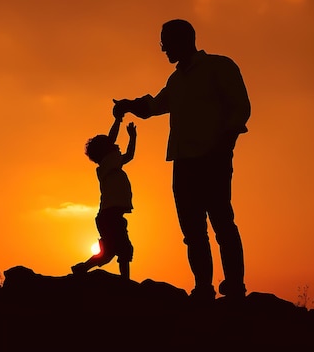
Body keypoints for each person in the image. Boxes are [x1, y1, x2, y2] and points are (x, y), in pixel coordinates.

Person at [113, 19, 251, 302]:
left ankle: (235, 287)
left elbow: (241, 109)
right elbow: (153, 106)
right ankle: (203, 288)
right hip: (183, 163)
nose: (163, 49)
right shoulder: (176, 80)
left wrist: (225, 146)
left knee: (222, 225)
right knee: (193, 231)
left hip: (213, 159)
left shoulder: (219, 67)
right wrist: (128, 104)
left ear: (184, 40)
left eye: (166, 42)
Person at [71, 116, 137, 280]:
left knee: (108, 254)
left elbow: (129, 155)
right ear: (106, 151)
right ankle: (125, 282)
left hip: (110, 216)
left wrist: (133, 138)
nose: (117, 146)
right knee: (123, 249)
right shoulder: (107, 163)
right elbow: (111, 140)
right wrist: (118, 120)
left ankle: (82, 268)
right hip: (110, 216)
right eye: (114, 146)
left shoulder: (112, 163)